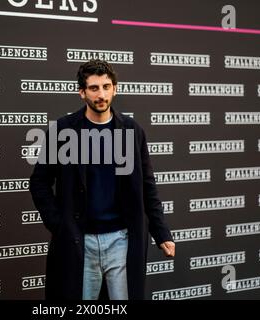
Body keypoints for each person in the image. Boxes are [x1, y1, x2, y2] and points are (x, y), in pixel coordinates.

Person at [29, 59, 175, 300]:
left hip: (121, 240)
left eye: (106, 87)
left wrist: (162, 233)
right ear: (82, 92)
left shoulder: (131, 131)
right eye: (94, 88)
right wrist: (60, 225)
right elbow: (39, 182)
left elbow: (147, 187)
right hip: (80, 241)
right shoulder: (65, 131)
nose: (101, 94)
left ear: (115, 89)